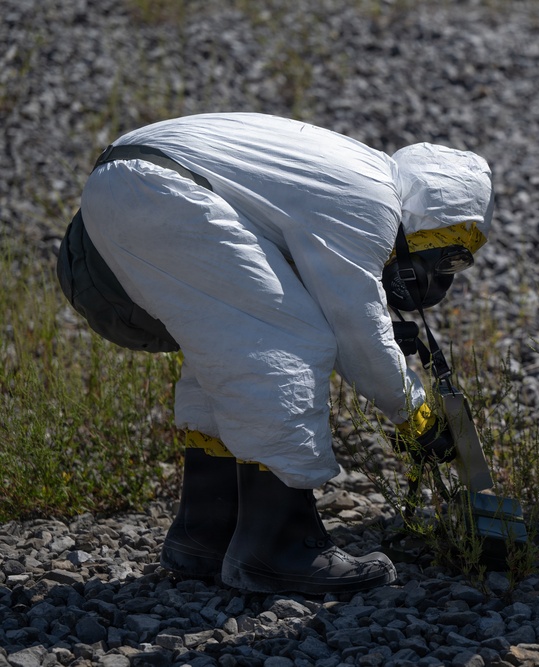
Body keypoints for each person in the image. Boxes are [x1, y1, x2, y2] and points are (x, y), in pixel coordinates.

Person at [70, 112, 495, 594]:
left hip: (129, 183)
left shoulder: (354, 174)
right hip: (166, 190)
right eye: (446, 252)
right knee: (287, 344)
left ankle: (207, 532)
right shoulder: (372, 203)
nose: (441, 273)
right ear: (431, 215)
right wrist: (416, 417)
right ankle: (280, 549)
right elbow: (360, 333)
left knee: (235, 346)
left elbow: (328, 304)